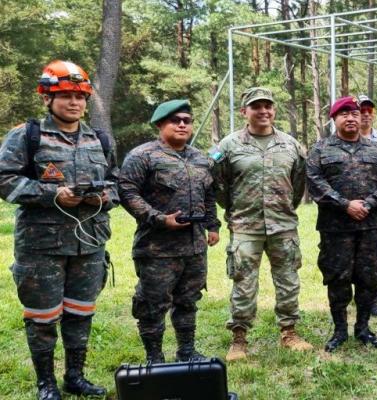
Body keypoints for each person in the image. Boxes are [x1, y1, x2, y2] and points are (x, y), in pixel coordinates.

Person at [0, 60, 117, 399]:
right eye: (65, 95)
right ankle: (46, 383)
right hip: (42, 247)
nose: (74, 103)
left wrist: (106, 195)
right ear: (47, 98)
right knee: (42, 318)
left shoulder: (100, 139)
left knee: (81, 312)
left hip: (90, 244)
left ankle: (75, 377)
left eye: (80, 96)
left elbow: (117, 182)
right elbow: (5, 179)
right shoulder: (28, 135)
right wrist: (53, 194)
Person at [210, 87, 312, 360]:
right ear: (245, 112)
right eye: (256, 107)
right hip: (245, 225)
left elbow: (299, 183)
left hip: (283, 225)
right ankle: (239, 340)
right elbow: (217, 184)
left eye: (268, 106)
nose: (264, 111)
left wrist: (284, 208)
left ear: (274, 110)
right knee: (243, 282)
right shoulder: (229, 146)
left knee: (289, 280)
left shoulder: (291, 145)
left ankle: (289, 332)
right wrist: (233, 208)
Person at [119, 99, 221, 363]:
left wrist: (212, 225)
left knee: (188, 300)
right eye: (176, 120)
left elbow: (209, 195)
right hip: (157, 248)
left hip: (194, 247)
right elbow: (127, 192)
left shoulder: (201, 159)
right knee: (152, 304)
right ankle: (155, 357)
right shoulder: (143, 156)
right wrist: (159, 219)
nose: (182, 125)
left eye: (187, 120)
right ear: (160, 124)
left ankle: (187, 351)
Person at [306, 96, 377, 352]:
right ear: (334, 119)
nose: (351, 118)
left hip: (371, 228)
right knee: (337, 278)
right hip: (336, 229)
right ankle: (339, 330)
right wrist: (345, 204)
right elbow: (314, 182)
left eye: (354, 113)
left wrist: (368, 203)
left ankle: (363, 328)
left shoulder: (376, 149)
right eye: (344, 114)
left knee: (368, 278)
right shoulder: (320, 150)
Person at [356, 93, 377, 318]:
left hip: (375, 210)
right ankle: (347, 298)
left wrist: (372, 201)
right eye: (361, 111)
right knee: (345, 259)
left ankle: (371, 301)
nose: (366, 115)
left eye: (369, 111)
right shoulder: (336, 138)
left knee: (372, 258)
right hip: (344, 210)